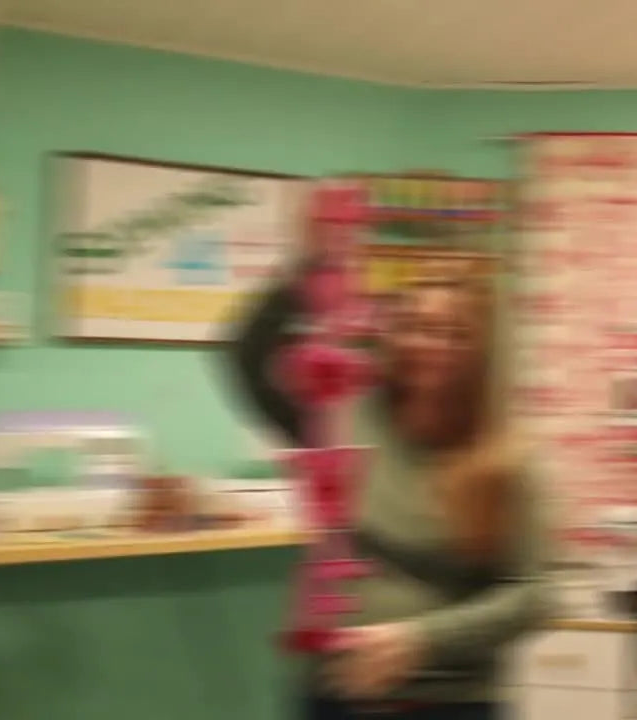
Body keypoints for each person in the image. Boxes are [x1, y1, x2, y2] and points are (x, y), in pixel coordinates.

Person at [221, 227, 555, 720]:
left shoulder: (504, 460)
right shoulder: (346, 412)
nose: (429, 344)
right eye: (414, 325)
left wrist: (420, 640)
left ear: (482, 351)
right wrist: (309, 265)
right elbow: (250, 359)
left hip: (448, 704)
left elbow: (537, 595)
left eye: (453, 331)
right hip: (333, 695)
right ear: (390, 331)